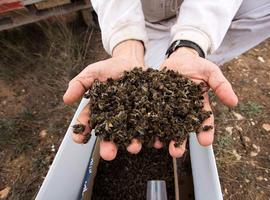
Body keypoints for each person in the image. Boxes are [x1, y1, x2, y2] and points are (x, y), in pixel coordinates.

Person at [63, 0, 270, 161]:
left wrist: (192, 41)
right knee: (141, 127)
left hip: (206, 7)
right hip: (141, 16)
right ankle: (163, 50)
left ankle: (190, 54)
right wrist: (126, 43)